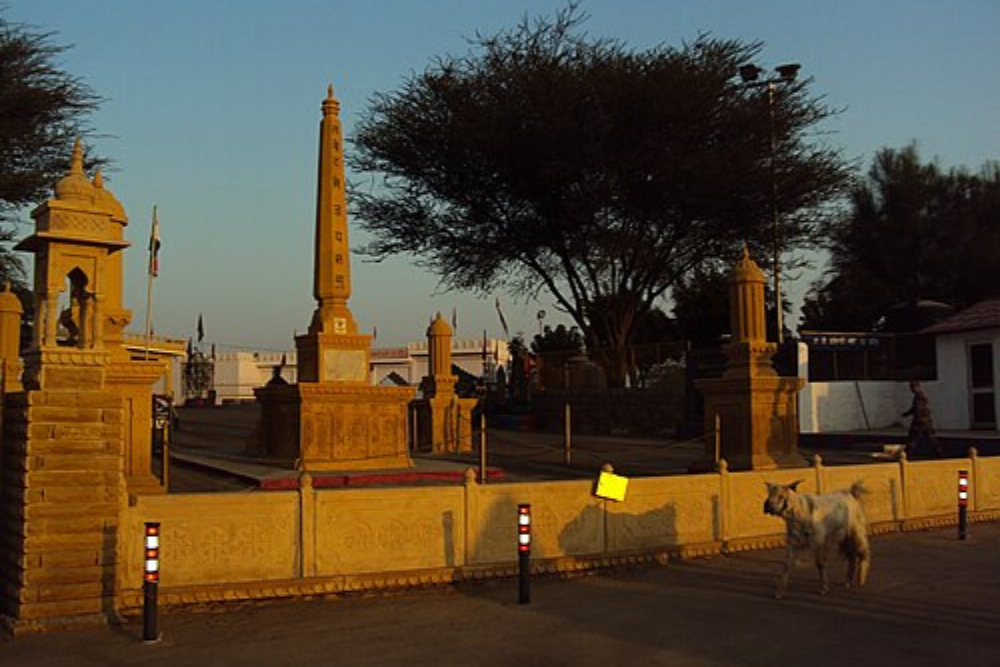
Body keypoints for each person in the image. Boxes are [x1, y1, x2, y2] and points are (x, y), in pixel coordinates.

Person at [903, 379, 943, 458]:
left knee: (914, 438)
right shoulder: (918, 396)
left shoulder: (920, 396)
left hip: (921, 421)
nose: (912, 390)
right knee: (928, 439)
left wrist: (916, 418)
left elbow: (918, 409)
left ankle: (907, 455)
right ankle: (939, 453)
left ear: (917, 387)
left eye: (913, 388)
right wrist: (907, 414)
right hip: (924, 421)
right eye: (911, 388)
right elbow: (915, 408)